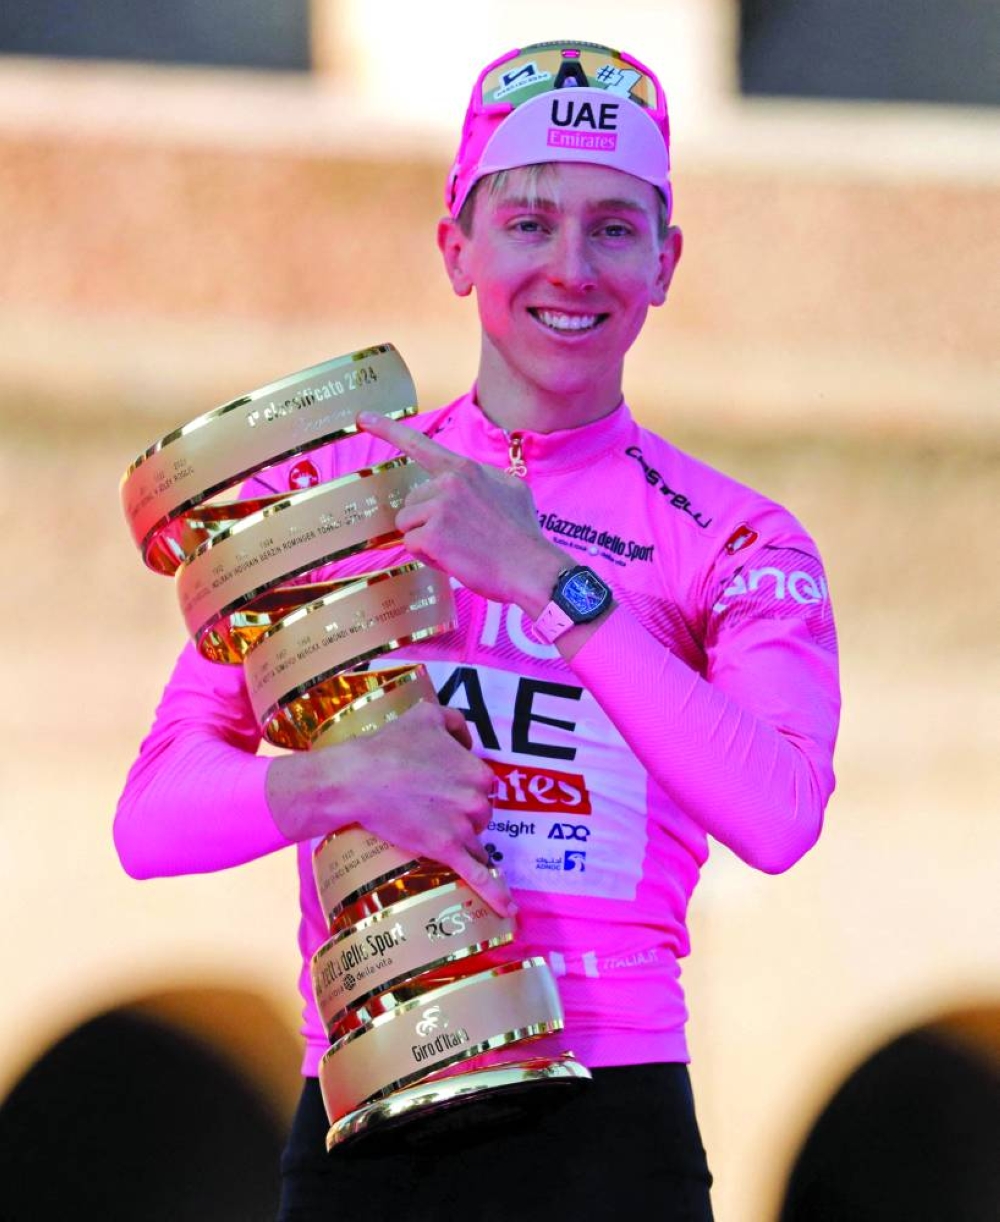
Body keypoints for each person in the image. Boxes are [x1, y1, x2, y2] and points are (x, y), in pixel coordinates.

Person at [116, 40, 840, 1221]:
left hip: (611, 1125)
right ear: (456, 248)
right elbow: (151, 820)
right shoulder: (333, 497)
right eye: (528, 221)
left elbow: (777, 812)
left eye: (614, 228)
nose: (570, 266)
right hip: (368, 1110)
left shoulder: (735, 540)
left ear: (664, 262)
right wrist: (343, 780)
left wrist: (550, 583)